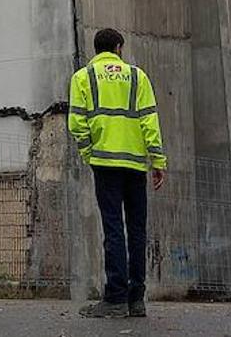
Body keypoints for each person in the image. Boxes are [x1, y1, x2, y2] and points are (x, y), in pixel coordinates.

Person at [68, 28, 167, 319]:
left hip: (104, 163)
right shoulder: (138, 76)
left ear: (96, 49)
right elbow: (149, 119)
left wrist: (89, 153)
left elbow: (77, 123)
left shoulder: (83, 77)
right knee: (137, 230)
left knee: (113, 229)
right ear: (119, 48)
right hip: (136, 163)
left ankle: (115, 297)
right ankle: (137, 299)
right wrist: (157, 160)